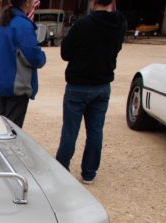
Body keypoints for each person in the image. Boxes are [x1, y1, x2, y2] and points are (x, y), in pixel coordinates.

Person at [55, 0, 126, 184]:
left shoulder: (83, 24)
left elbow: (65, 53)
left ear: (94, 2)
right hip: (102, 84)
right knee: (95, 131)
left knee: (70, 130)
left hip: (78, 84)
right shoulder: (119, 24)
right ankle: (89, 172)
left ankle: (62, 168)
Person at [0, 0, 46, 128]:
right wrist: (42, 57)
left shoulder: (0, 23)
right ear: (26, 3)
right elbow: (34, 56)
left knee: (1, 128)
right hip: (17, 85)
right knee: (13, 131)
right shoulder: (23, 25)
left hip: (2, 83)